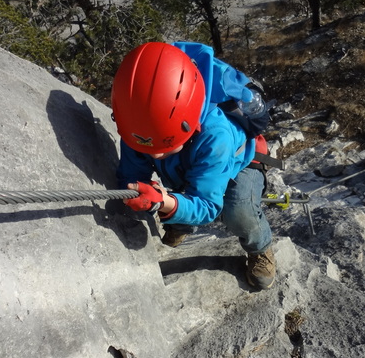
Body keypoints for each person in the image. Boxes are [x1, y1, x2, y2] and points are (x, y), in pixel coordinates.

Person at [111, 41, 276, 290]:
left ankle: (260, 248)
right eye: (147, 149)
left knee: (238, 210)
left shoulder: (215, 135)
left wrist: (164, 202)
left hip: (241, 162)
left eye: (164, 147)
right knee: (175, 176)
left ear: (191, 125)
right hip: (191, 156)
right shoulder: (138, 122)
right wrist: (140, 190)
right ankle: (180, 222)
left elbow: (210, 205)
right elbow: (132, 173)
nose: (155, 155)